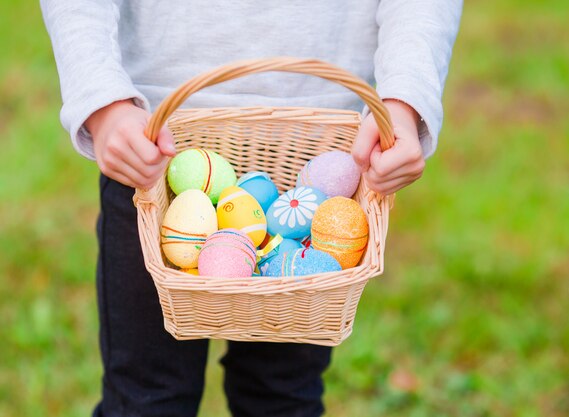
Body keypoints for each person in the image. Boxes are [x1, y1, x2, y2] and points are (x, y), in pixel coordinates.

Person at [40, 2, 462, 416]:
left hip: (321, 142)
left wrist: (404, 102)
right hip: (150, 149)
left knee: (281, 397)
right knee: (147, 398)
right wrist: (104, 103)